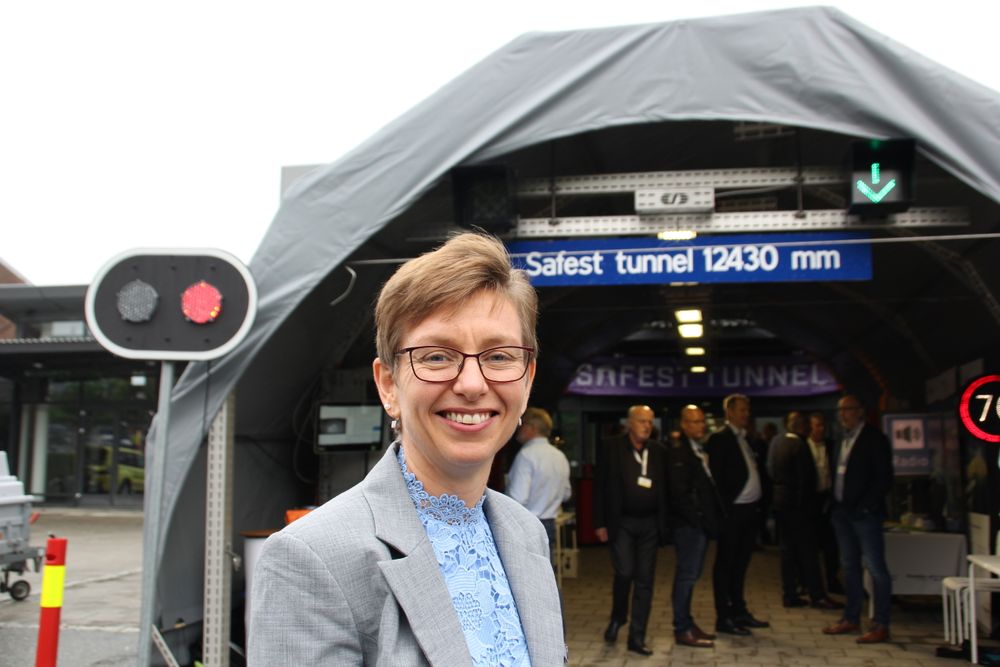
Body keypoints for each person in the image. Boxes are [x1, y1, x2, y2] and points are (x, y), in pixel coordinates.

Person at [248, 233, 565, 665]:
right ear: (388, 385)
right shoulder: (311, 558)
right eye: (436, 356)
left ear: (527, 381)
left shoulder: (525, 533)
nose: (472, 384)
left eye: (499, 356)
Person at [593, 404, 669, 656]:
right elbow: (600, 486)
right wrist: (600, 522)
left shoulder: (658, 451)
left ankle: (637, 637)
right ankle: (618, 618)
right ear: (630, 423)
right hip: (621, 522)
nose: (648, 426)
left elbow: (665, 490)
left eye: (650, 421)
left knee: (645, 581)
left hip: (649, 525)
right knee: (624, 572)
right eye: (642, 421)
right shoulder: (611, 447)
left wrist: (664, 526)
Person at [822, 394, 894, 644]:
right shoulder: (841, 439)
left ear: (861, 411)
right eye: (840, 410)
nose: (843, 414)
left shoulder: (874, 439)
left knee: (875, 568)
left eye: (849, 409)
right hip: (842, 512)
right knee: (849, 566)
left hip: (865, 514)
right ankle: (851, 618)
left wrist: (865, 507)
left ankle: (881, 623)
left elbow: (883, 478)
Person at [706, 393, 770, 636]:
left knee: (742, 564)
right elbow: (717, 480)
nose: (746, 414)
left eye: (748, 410)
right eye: (742, 410)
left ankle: (739, 610)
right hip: (732, 513)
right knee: (726, 565)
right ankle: (724, 616)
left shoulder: (747, 439)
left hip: (749, 512)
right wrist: (723, 511)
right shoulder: (719, 439)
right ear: (729, 412)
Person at [770, 411, 840, 610]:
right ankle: (817, 594)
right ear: (803, 427)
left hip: (782, 504)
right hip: (800, 508)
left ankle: (790, 593)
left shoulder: (778, 442)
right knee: (808, 551)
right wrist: (806, 506)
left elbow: (772, 470)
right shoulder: (799, 446)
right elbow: (806, 479)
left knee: (787, 551)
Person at [666, 405, 723, 649]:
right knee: (687, 576)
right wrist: (697, 521)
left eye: (702, 421)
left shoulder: (698, 449)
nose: (701, 425)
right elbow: (680, 494)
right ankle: (682, 628)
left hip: (697, 525)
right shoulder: (680, 452)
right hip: (689, 527)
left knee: (692, 576)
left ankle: (687, 622)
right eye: (695, 421)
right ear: (684, 424)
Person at [507, 406, 572, 563]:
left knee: (528, 580)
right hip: (550, 523)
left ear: (531, 428)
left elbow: (518, 498)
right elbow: (566, 494)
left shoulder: (526, 455)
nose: (518, 428)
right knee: (546, 577)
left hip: (527, 526)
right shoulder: (559, 456)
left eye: (521, 424)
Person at [807, 411, 842, 594]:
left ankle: (832, 579)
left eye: (823, 425)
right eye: (817, 425)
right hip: (810, 500)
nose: (821, 429)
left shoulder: (832, 446)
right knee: (810, 544)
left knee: (831, 545)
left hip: (828, 499)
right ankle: (810, 582)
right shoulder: (803, 446)